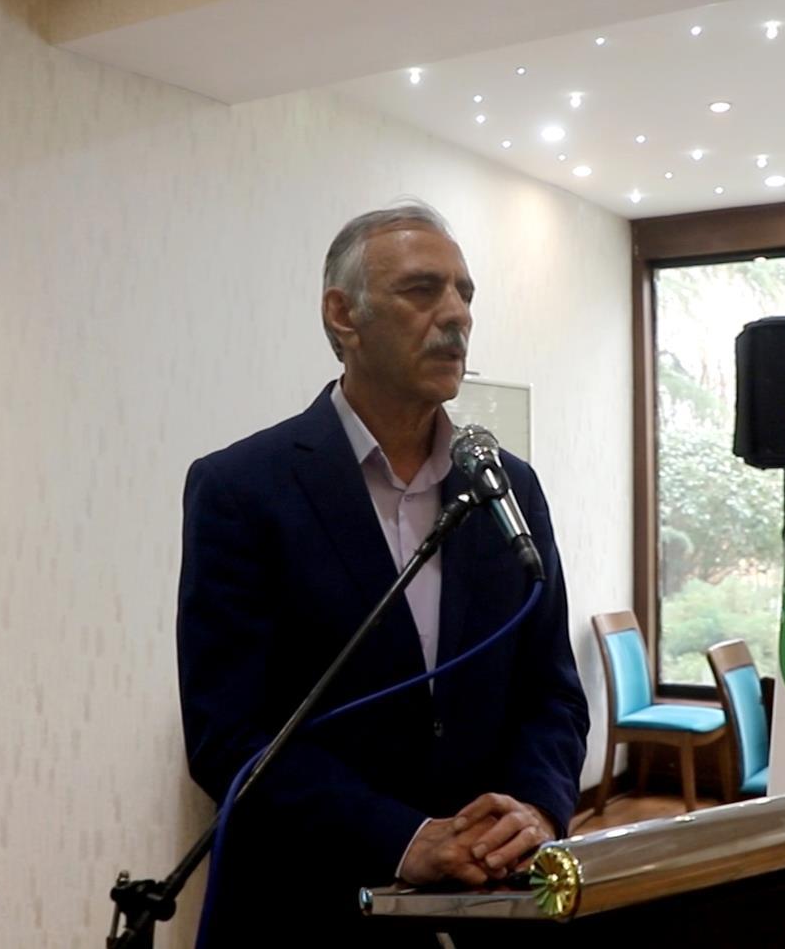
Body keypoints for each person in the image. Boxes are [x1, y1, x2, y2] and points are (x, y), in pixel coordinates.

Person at [176, 201, 589, 940]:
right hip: (308, 905)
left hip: (490, 901)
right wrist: (403, 837)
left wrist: (536, 808)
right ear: (344, 316)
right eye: (422, 290)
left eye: (465, 293)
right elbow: (227, 735)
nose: (456, 315)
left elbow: (551, 690)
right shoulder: (243, 489)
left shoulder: (508, 488)